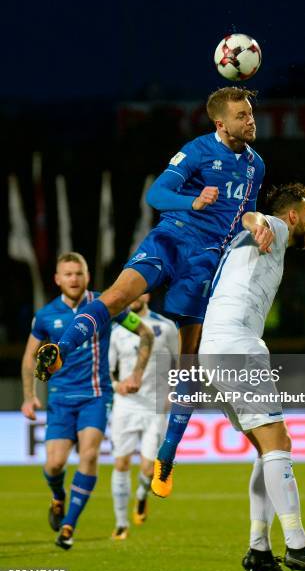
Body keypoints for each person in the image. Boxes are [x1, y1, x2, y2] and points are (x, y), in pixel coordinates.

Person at [34, 86, 274, 496]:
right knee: (115, 295)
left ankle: (166, 456)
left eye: (251, 114)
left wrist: (254, 220)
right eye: (242, 116)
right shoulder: (197, 151)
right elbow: (157, 194)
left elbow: (242, 209)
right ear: (221, 123)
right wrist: (193, 200)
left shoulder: (256, 165)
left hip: (205, 261)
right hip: (171, 239)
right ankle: (61, 351)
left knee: (189, 360)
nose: (250, 121)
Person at [199, 184, 305, 571]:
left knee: (267, 450)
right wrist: (254, 217)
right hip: (236, 347)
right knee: (279, 442)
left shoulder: (239, 247)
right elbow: (259, 220)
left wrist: (247, 222)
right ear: (295, 216)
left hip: (215, 350)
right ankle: (297, 546)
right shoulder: (278, 228)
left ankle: (259, 551)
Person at [21, 252, 154, 550]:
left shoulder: (104, 306)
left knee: (90, 455)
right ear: (57, 279)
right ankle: (58, 496)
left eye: (78, 273)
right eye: (67, 274)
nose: (73, 279)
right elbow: (30, 358)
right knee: (54, 465)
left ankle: (69, 525)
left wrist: (136, 372)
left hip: (96, 395)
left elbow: (145, 333)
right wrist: (29, 398)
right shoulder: (44, 316)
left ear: (87, 276)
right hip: (60, 400)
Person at [109, 294, 178, 539]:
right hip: (125, 406)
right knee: (121, 464)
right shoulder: (116, 330)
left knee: (149, 469)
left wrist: (172, 391)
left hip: (155, 405)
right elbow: (109, 371)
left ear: (148, 294)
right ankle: (120, 523)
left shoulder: (165, 326)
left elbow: (178, 363)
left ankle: (141, 495)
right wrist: (117, 386)